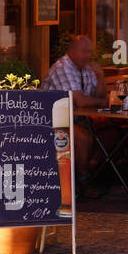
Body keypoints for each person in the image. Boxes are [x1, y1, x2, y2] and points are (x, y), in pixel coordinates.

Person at [42, 35, 110, 173]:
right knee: (82, 137)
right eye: (84, 51)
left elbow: (99, 95)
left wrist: (100, 75)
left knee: (110, 130)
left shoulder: (85, 68)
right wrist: (104, 102)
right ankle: (82, 178)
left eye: (90, 51)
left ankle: (92, 168)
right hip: (52, 122)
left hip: (78, 119)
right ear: (71, 51)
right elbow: (80, 100)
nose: (88, 55)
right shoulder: (63, 67)